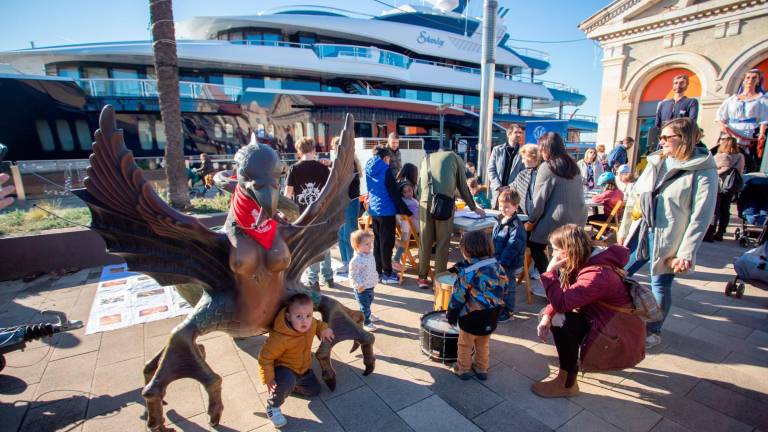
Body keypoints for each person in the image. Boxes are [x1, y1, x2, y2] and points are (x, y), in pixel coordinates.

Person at [618, 117, 717, 349]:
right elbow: (634, 197)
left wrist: (686, 252)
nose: (660, 142)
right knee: (618, 271)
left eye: (666, 137)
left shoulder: (703, 169)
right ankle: (618, 316)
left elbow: (701, 216)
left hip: (670, 236)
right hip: (641, 230)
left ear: (683, 139)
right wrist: (623, 229)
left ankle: (653, 331)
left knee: (660, 284)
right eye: (660, 137)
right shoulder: (657, 161)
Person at [533, 224, 644, 398]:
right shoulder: (588, 260)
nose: (553, 255)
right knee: (551, 316)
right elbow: (566, 294)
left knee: (560, 320)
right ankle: (569, 364)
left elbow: (562, 303)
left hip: (616, 332)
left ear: (570, 250)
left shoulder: (596, 274)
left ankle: (567, 383)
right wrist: (547, 314)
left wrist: (549, 272)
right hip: (604, 320)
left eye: (556, 250)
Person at [258, 293, 335, 428]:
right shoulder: (280, 338)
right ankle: (273, 406)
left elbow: (318, 324)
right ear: (288, 316)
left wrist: (324, 329)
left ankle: (287, 387)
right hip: (284, 367)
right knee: (286, 380)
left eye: (308, 316)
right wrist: (269, 378)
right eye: (298, 316)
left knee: (314, 390)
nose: (304, 321)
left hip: (303, 368)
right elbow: (265, 357)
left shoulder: (310, 324)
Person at [416, 143, 485, 289]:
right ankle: (439, 280)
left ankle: (422, 277)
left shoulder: (426, 158)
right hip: (444, 203)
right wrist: (474, 207)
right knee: (442, 242)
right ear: (451, 151)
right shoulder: (454, 157)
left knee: (425, 241)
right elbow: (462, 186)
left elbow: (419, 187)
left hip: (423, 203)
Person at [446, 231, 508, 381]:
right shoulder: (498, 266)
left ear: (467, 251)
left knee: (465, 344)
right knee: (483, 343)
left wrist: (451, 314)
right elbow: (505, 288)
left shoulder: (467, 273)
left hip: (470, 316)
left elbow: (458, 297)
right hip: (491, 315)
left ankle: (463, 369)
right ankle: (481, 368)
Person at [527, 132, 587, 275]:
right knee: (564, 251)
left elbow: (539, 202)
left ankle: (549, 277)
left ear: (546, 149)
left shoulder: (547, 167)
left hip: (557, 222)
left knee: (532, 244)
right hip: (579, 220)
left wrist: (531, 221)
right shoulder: (574, 165)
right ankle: (563, 276)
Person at [285, 137, 334, 289]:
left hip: (303, 214)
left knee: (309, 246)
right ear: (313, 150)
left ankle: (313, 280)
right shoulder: (322, 168)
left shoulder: (294, 169)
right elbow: (330, 191)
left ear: (299, 151)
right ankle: (329, 276)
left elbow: (287, 195)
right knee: (324, 243)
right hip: (322, 212)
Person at [365, 146, 412, 284]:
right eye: (389, 159)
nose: (389, 161)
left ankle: (378, 272)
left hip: (374, 211)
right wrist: (406, 211)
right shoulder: (386, 171)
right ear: (385, 158)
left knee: (378, 243)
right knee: (387, 244)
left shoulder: (369, 169)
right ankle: (387, 274)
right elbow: (395, 194)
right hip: (386, 211)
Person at [716, 69, 768, 172]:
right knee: (727, 157)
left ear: (758, 81)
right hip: (730, 133)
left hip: (749, 134)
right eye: (748, 77)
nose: (750, 80)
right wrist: (724, 129)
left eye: (754, 78)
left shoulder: (761, 100)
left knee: (747, 159)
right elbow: (720, 116)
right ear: (744, 80)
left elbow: (764, 119)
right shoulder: (732, 99)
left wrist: (761, 135)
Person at [327, 136, 362, 278]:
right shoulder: (340, 162)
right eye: (334, 147)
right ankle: (346, 261)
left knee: (349, 233)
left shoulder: (349, 163)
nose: (335, 149)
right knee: (341, 234)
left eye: (337, 146)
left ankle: (353, 263)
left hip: (349, 202)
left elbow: (343, 181)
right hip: (340, 203)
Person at [492, 189, 526, 321]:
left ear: (515, 207)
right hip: (498, 259)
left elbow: (513, 246)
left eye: (506, 207)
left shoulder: (516, 226)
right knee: (499, 284)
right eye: (501, 206)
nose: (503, 209)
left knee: (509, 286)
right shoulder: (500, 219)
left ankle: (508, 310)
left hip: (508, 262)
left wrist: (503, 262)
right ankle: (500, 305)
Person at [711, 136, 745, 241]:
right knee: (725, 209)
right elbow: (740, 170)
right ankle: (721, 233)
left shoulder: (720, 156)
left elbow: (712, 169)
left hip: (718, 185)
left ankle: (711, 231)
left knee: (715, 209)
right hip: (731, 185)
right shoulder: (740, 157)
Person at [349, 229, 382, 331]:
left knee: (369, 301)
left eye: (370, 243)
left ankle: (369, 315)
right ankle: (366, 322)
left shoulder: (369, 254)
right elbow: (353, 274)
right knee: (364, 307)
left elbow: (372, 267)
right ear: (357, 246)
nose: (370, 245)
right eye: (366, 244)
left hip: (370, 284)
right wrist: (358, 284)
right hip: (362, 288)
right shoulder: (356, 260)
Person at [487, 125, 525, 208]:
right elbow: (491, 169)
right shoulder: (497, 150)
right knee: (496, 218)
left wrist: (509, 187)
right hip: (497, 193)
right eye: (516, 132)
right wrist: (498, 186)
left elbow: (523, 174)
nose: (519, 135)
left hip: (513, 194)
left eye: (520, 132)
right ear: (509, 134)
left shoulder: (523, 152)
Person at [392, 181, 420, 272]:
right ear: (402, 193)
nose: (408, 193)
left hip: (409, 226)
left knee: (404, 243)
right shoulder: (407, 202)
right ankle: (396, 259)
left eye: (410, 190)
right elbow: (416, 215)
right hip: (411, 227)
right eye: (405, 192)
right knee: (404, 243)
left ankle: (396, 255)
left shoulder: (412, 200)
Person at [511, 144, 540, 217]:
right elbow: (512, 188)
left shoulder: (545, 174)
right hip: (526, 217)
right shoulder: (523, 174)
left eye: (524, 158)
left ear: (533, 157)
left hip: (541, 218)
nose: (522, 161)